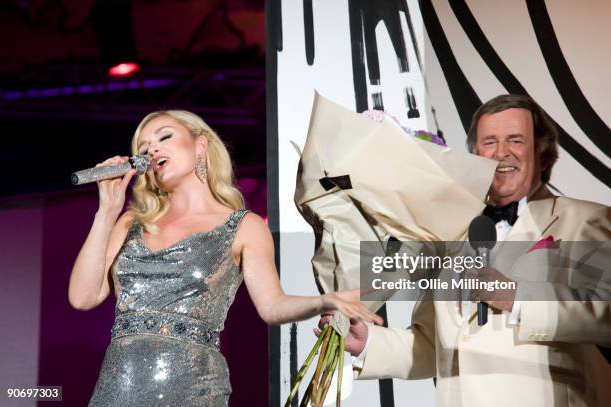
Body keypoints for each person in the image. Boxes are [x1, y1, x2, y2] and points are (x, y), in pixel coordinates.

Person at [68, 110, 383, 406]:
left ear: (200, 145)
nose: (152, 150)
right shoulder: (130, 223)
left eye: (164, 137)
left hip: (192, 387)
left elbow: (272, 305)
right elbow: (83, 297)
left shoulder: (242, 226)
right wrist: (106, 211)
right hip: (117, 387)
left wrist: (325, 301)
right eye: (143, 146)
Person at [319, 94, 611, 406]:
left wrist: (518, 298)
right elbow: (430, 345)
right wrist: (367, 344)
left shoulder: (586, 219)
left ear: (541, 150)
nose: (501, 152)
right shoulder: (449, 232)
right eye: (489, 141)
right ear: (474, 153)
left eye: (515, 140)